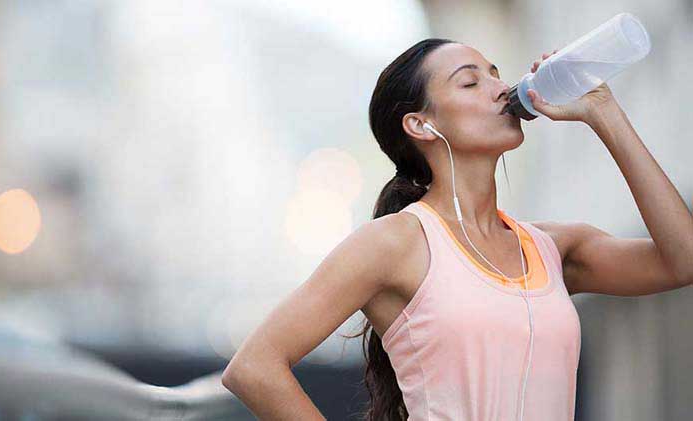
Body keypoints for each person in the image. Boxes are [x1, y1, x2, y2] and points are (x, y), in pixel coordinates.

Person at [221, 38, 693, 420]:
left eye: (494, 73)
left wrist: (604, 112)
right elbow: (254, 367)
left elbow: (683, 260)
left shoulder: (554, 246)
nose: (499, 88)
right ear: (421, 124)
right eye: (470, 82)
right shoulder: (395, 242)